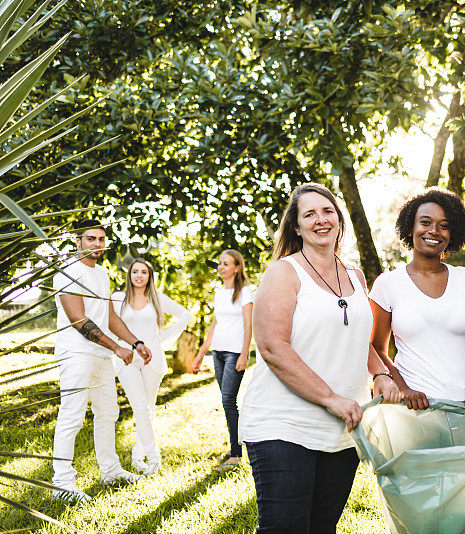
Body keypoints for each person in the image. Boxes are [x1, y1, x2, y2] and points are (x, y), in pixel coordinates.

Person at [240, 182, 401, 533]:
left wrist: (381, 375)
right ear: (296, 227)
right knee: (285, 527)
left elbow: (362, 342)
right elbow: (272, 348)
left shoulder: (355, 276)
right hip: (284, 423)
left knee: (322, 527)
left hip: (343, 426)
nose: (320, 220)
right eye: (309, 214)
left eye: (327, 211)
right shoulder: (284, 272)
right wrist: (330, 398)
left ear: (339, 219)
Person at [52, 219, 153, 502]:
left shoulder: (102, 275)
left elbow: (109, 317)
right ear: (78, 241)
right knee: (71, 416)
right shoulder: (67, 273)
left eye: (101, 239)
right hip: (76, 353)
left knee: (108, 413)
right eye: (90, 239)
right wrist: (117, 349)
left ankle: (110, 470)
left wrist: (135, 342)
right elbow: (79, 320)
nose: (97, 244)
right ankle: (62, 485)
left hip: (100, 354)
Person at [369, 187, 465, 416]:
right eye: (425, 222)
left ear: (453, 233)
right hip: (410, 410)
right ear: (410, 227)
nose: (434, 231)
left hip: (464, 408)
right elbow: (376, 348)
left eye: (444, 226)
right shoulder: (388, 283)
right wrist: (403, 389)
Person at [111, 259, 192, 475]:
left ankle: (138, 457)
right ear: (129, 275)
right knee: (140, 406)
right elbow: (109, 323)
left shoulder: (157, 299)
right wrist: (116, 348)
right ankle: (154, 458)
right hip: (127, 358)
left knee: (147, 409)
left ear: (150, 276)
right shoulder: (118, 298)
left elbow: (186, 316)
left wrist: (161, 339)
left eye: (143, 272)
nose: (139, 275)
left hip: (152, 359)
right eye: (135, 271)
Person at [192, 249, 253, 471]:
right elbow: (214, 325)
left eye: (226, 264)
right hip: (217, 352)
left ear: (237, 268)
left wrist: (245, 353)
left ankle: (236, 455)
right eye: (220, 263)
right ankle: (234, 445)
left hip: (234, 353)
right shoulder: (219, 293)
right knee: (227, 402)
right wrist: (201, 353)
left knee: (228, 401)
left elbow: (249, 325)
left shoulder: (245, 293)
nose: (221, 267)